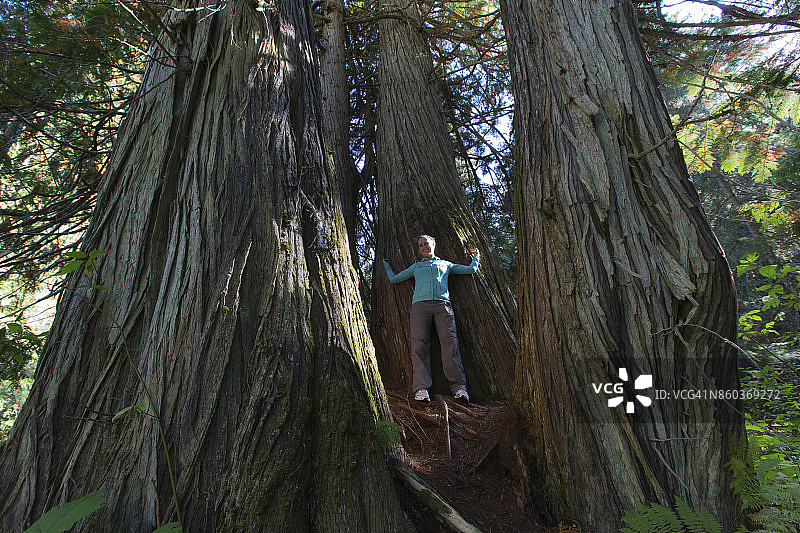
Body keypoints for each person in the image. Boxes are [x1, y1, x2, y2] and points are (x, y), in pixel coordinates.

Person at [383, 235, 479, 403]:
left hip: (443, 306)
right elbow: (394, 279)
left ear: (433, 244)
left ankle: (459, 387)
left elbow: (471, 269)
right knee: (419, 345)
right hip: (420, 307)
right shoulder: (416, 266)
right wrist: (386, 265)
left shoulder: (446, 264)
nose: (424, 247)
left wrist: (476, 255)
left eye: (426, 244)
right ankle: (421, 388)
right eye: (420, 245)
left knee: (450, 343)